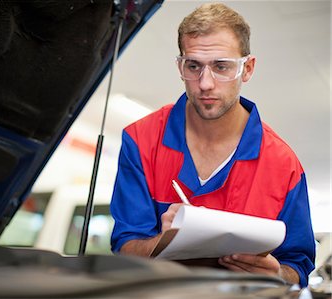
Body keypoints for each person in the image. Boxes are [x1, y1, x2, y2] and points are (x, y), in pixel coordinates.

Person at [110, 2, 315, 288]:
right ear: (180, 67)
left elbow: (298, 265)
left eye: (221, 66)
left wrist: (277, 274)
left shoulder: (283, 165)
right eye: (193, 66)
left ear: (248, 68)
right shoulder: (141, 141)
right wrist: (165, 241)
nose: (205, 83)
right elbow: (125, 248)